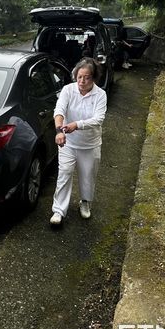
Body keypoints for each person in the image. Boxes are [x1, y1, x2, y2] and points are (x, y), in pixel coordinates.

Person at [50, 58, 107, 225]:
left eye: (87, 77)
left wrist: (77, 125)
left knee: (88, 175)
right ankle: (59, 210)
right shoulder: (68, 90)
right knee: (65, 173)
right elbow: (59, 110)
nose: (82, 81)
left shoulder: (100, 95)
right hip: (69, 143)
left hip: (90, 144)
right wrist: (59, 131)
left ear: (94, 78)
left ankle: (85, 202)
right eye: (79, 77)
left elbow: (98, 119)